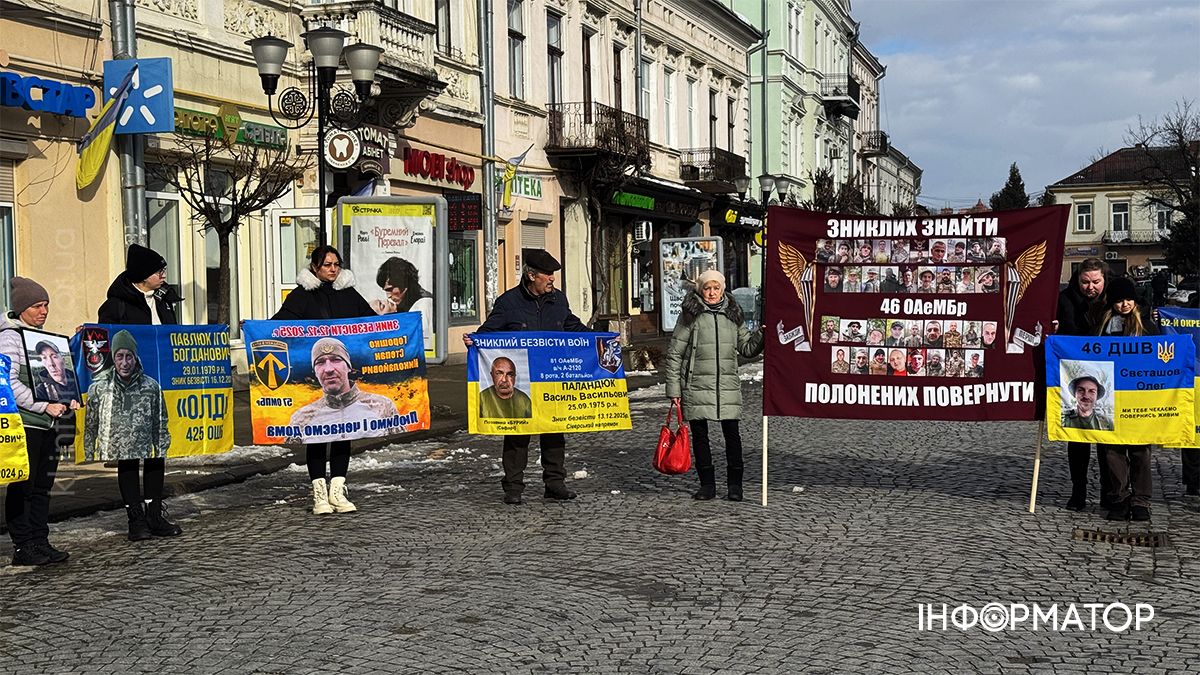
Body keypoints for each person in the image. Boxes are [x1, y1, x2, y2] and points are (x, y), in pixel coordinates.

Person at [467, 250, 589, 505]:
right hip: (520, 381)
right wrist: (474, 340)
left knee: (555, 432)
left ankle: (555, 483)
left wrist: (602, 338)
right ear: (531, 275)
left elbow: (573, 326)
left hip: (551, 378)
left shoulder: (558, 300)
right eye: (547, 274)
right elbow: (488, 333)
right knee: (517, 435)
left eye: (553, 274)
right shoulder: (509, 302)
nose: (552, 279)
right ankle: (513, 487)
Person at [273, 245, 377, 516]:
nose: (333, 269)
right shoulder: (301, 296)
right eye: (327, 264)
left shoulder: (349, 294)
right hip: (319, 391)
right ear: (315, 268)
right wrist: (251, 326)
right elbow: (278, 325)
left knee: (344, 435)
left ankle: (338, 490)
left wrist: (400, 323)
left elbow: (372, 324)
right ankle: (319, 493)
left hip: (344, 385)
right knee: (316, 436)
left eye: (336, 264)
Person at [96, 244, 184, 540]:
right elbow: (103, 345)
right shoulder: (116, 305)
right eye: (159, 271)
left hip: (159, 389)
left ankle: (155, 513)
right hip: (127, 392)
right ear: (143, 275)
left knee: (158, 452)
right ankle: (135, 519)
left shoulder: (163, 302)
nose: (163, 275)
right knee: (130, 455)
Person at [665, 269, 763, 502]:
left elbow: (747, 348)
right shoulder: (690, 315)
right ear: (700, 290)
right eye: (707, 288)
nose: (711, 292)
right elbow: (675, 354)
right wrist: (674, 390)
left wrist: (761, 336)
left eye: (716, 288)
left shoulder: (733, 314)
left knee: (733, 436)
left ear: (722, 289)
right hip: (696, 385)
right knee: (700, 437)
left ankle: (735, 486)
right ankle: (707, 485)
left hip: (727, 385)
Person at [1, 278, 78, 565]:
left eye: (46, 305)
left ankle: (39, 539)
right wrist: (44, 405)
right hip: (27, 423)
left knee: (44, 485)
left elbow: (58, 378)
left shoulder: (40, 336)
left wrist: (68, 397)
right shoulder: (10, 337)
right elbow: (7, 382)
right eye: (37, 306)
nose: (43, 311)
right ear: (22, 308)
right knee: (24, 486)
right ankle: (23, 546)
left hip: (49, 422)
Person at [1095, 277, 1157, 521]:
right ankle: (1119, 498)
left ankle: (1141, 500)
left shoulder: (1147, 327)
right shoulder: (1103, 327)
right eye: (1119, 300)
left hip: (1139, 398)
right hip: (1110, 399)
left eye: (1128, 299)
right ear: (1112, 303)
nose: (1124, 304)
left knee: (1141, 451)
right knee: (1113, 451)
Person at [1055, 258, 1111, 511]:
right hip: (1075, 375)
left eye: (1096, 282)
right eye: (1085, 282)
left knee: (1108, 439)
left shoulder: (1113, 299)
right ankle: (1078, 491)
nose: (1090, 287)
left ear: (1104, 280)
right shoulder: (1065, 300)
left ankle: (1109, 492)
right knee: (1077, 439)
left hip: (1107, 375)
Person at [288, 337, 401, 440]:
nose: (328, 369)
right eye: (320, 362)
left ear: (349, 367)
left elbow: (402, 450)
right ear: (315, 372)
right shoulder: (300, 420)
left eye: (336, 360)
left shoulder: (383, 407)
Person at [372, 256, 434, 343]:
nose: (388, 296)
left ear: (404, 284)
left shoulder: (422, 306)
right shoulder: (406, 305)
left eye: (390, 289)